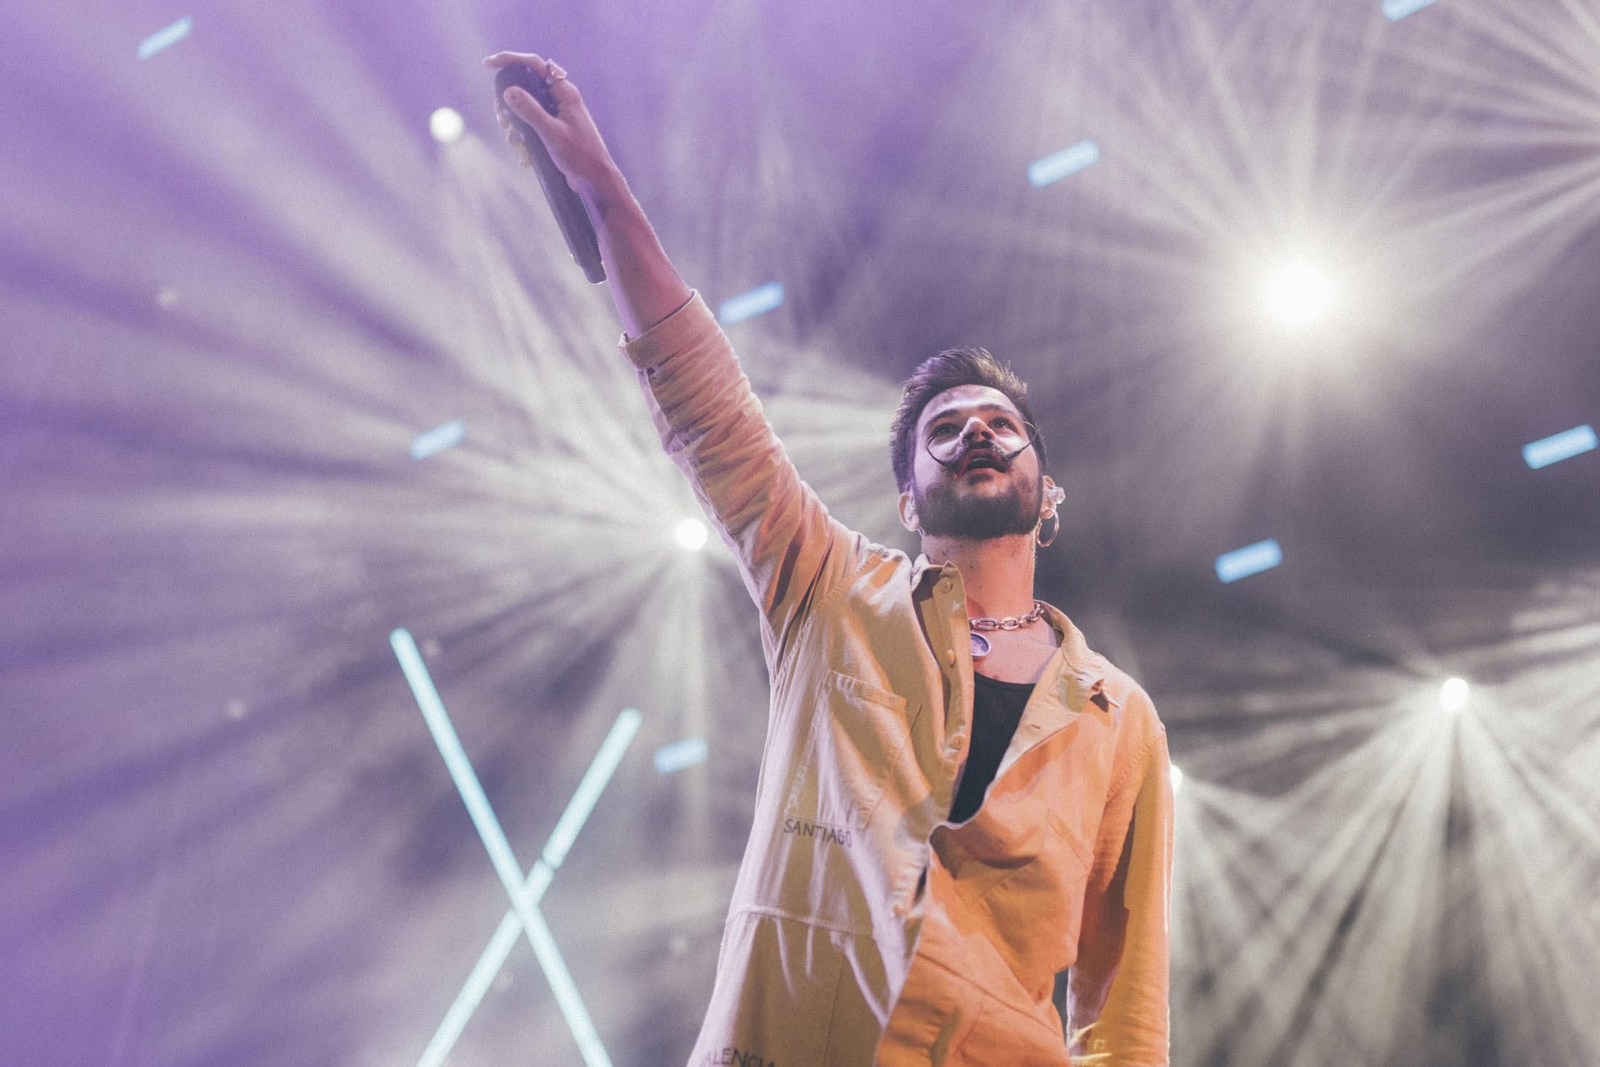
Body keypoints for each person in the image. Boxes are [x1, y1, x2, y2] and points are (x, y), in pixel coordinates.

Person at [485, 49, 1174, 1067]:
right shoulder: (831, 589)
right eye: (944, 428)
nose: (976, 432)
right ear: (906, 498)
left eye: (1000, 423)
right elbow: (704, 402)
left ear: (1048, 487)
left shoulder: (1119, 718)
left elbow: (1125, 1004)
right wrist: (602, 190)